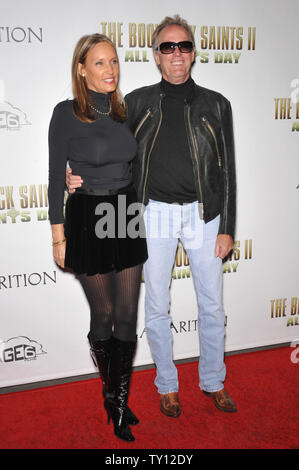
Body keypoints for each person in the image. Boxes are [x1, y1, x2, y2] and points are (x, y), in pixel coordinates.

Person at [67, 15, 237, 418]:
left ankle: (214, 381)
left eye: (183, 46)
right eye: (167, 47)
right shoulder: (138, 102)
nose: (176, 53)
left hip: (204, 214)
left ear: (193, 53)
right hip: (153, 214)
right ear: (157, 56)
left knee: (212, 305)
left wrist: (228, 227)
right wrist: (76, 174)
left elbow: (227, 169)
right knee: (157, 304)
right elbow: (104, 144)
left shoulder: (217, 104)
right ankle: (167, 385)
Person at [48, 34, 148, 442]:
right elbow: (57, 177)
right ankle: (112, 392)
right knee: (104, 315)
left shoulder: (127, 111)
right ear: (82, 68)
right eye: (100, 63)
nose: (110, 70)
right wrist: (59, 238)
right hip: (88, 214)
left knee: (127, 316)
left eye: (114, 62)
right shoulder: (66, 113)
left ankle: (118, 401)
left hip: (125, 212)